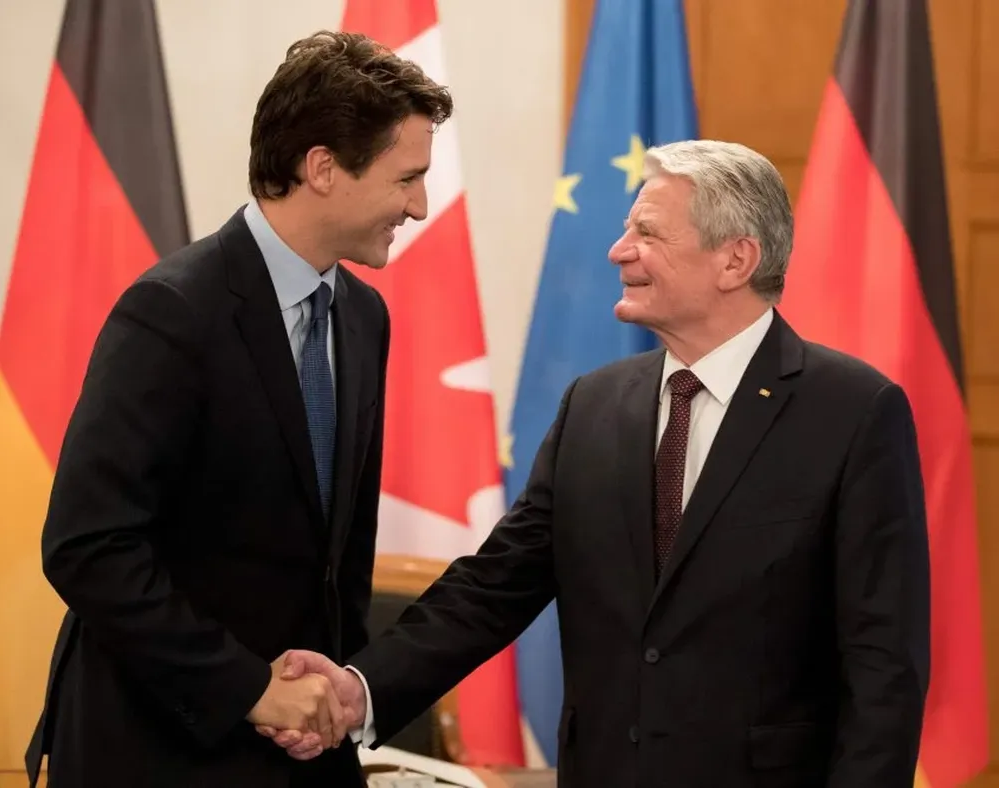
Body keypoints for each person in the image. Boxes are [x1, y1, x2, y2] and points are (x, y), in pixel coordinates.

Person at [265, 140, 931, 787]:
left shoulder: (852, 413)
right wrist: (361, 689)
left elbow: (883, 670)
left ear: (736, 260)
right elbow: (494, 587)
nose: (619, 250)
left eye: (647, 232)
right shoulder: (596, 404)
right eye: (624, 229)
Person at [26, 30, 452, 788]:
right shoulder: (170, 312)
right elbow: (88, 546)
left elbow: (340, 556)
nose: (420, 205)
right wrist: (248, 688)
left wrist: (333, 695)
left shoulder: (362, 316)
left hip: (302, 753)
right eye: (407, 178)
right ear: (323, 167)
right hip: (159, 747)